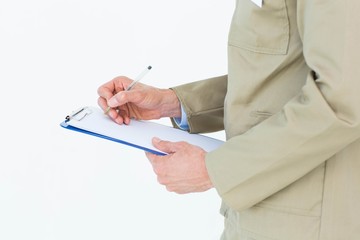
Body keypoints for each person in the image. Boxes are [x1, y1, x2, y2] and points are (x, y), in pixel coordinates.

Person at [97, 0, 360, 239]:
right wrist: (173, 103)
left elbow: (344, 99)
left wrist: (215, 170)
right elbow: (280, 78)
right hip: (260, 209)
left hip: (304, 220)